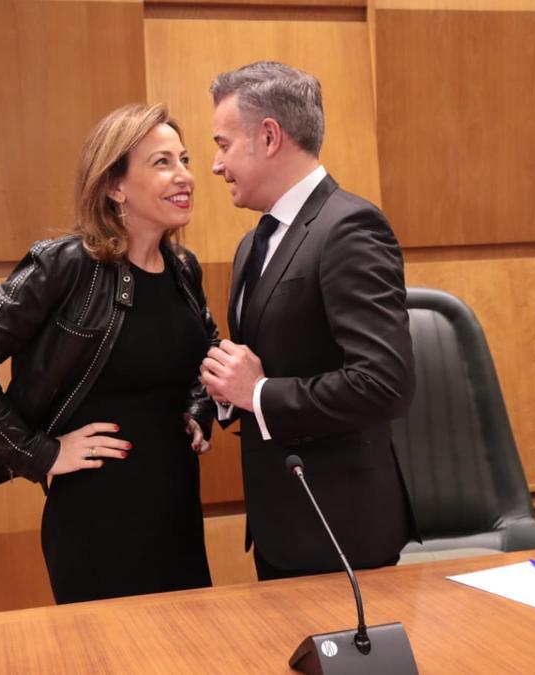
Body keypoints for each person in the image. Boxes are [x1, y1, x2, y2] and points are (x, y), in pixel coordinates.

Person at [0, 103, 216, 604]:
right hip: (97, 518)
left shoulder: (183, 268)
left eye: (185, 159)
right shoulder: (66, 265)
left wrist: (198, 406)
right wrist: (40, 453)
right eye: (162, 162)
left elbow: (202, 349)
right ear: (115, 186)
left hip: (177, 508)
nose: (185, 176)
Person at [199, 62, 416, 581]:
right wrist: (227, 391)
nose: (215, 165)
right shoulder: (252, 242)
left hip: (342, 534)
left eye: (223, 145)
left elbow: (384, 384)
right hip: (281, 528)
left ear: (269, 137)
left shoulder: (350, 227)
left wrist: (259, 393)